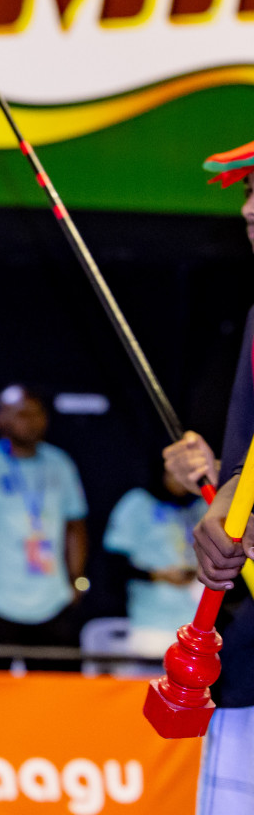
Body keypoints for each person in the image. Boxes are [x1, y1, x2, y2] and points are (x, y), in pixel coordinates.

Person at [170, 138, 254, 815]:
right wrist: (216, 484)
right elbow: (242, 479)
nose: (249, 210)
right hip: (249, 661)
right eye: (248, 192)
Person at [0, 385, 89, 670]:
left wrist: (76, 580)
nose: (32, 420)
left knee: (58, 696)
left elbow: (75, 525)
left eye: (38, 413)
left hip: (53, 598)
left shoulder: (60, 464)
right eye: (22, 413)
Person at [102, 468, 205, 657]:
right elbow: (113, 563)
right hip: (152, 623)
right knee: (149, 683)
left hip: (198, 624)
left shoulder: (202, 505)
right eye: (175, 473)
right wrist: (157, 575)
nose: (182, 480)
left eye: (188, 475)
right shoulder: (138, 503)